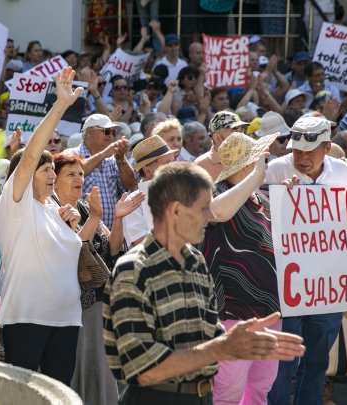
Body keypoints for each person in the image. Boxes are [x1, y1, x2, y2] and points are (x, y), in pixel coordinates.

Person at [104, 162, 305, 405]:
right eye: (203, 208)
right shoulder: (133, 271)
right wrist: (223, 348)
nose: (211, 217)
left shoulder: (196, 261)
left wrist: (245, 340)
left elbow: (209, 333)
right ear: (176, 210)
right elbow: (142, 368)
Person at [0, 67, 83, 385]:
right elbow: (30, 153)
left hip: (66, 319)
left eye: (51, 169)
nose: (50, 174)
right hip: (27, 317)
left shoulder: (54, 208)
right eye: (43, 168)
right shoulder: (16, 204)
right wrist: (60, 105)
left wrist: (81, 225)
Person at [266, 116, 347, 405]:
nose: (302, 158)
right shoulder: (276, 169)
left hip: (326, 285)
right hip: (287, 282)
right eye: (297, 151)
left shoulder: (342, 172)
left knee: (317, 360)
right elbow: (261, 223)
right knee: (283, 361)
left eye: (310, 151)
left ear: (327, 147)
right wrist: (283, 202)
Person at [52, 153, 143, 405]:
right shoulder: (52, 208)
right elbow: (74, 248)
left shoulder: (84, 205)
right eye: (70, 174)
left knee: (100, 368)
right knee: (83, 366)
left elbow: (112, 248)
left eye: (81, 173)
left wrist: (118, 216)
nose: (78, 178)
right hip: (76, 303)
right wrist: (94, 217)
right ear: (54, 179)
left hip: (99, 302)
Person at [198, 133, 282, 405]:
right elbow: (218, 213)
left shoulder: (261, 199)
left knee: (260, 388)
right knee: (228, 393)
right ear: (248, 165)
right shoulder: (215, 192)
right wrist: (256, 176)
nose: (265, 163)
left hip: (269, 310)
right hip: (233, 313)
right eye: (259, 159)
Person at [64, 113, 138, 229]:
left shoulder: (113, 159)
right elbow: (74, 174)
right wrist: (104, 154)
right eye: (106, 131)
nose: (110, 136)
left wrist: (121, 159)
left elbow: (131, 185)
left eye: (113, 132)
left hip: (111, 235)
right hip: (81, 231)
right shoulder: (72, 154)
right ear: (89, 132)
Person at [195, 111, 249, 180]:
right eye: (234, 131)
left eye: (242, 129)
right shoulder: (201, 166)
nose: (241, 135)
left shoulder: (249, 159)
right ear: (217, 138)